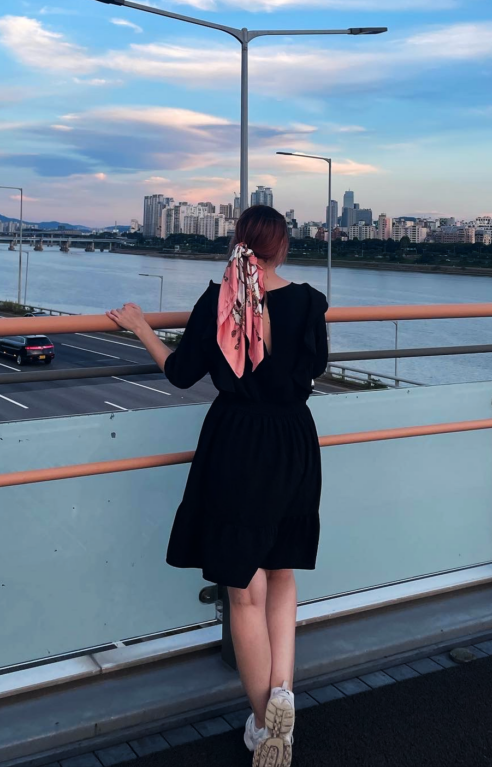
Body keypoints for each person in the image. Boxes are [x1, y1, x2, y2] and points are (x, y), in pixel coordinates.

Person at [107, 206, 328, 767]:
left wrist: (140, 328)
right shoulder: (308, 300)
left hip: (238, 443)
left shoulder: (220, 300)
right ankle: (283, 695)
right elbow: (315, 369)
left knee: (242, 590)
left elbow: (182, 372)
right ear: (281, 248)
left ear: (237, 243)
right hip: (295, 442)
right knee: (281, 573)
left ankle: (263, 722)